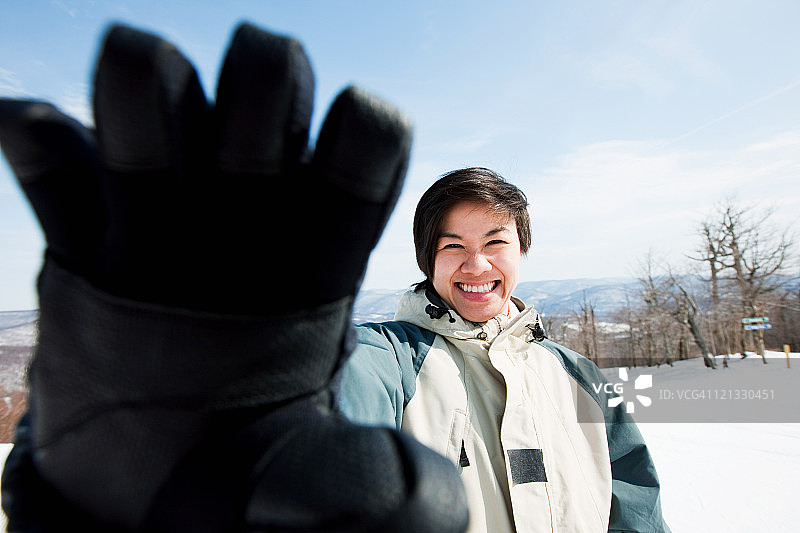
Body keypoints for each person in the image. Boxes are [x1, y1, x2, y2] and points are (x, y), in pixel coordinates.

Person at [335, 167, 671, 532]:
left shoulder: (578, 374)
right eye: (452, 245)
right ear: (427, 260)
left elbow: (635, 505)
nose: (477, 265)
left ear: (521, 249)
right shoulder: (391, 360)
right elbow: (343, 398)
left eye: (495, 243)